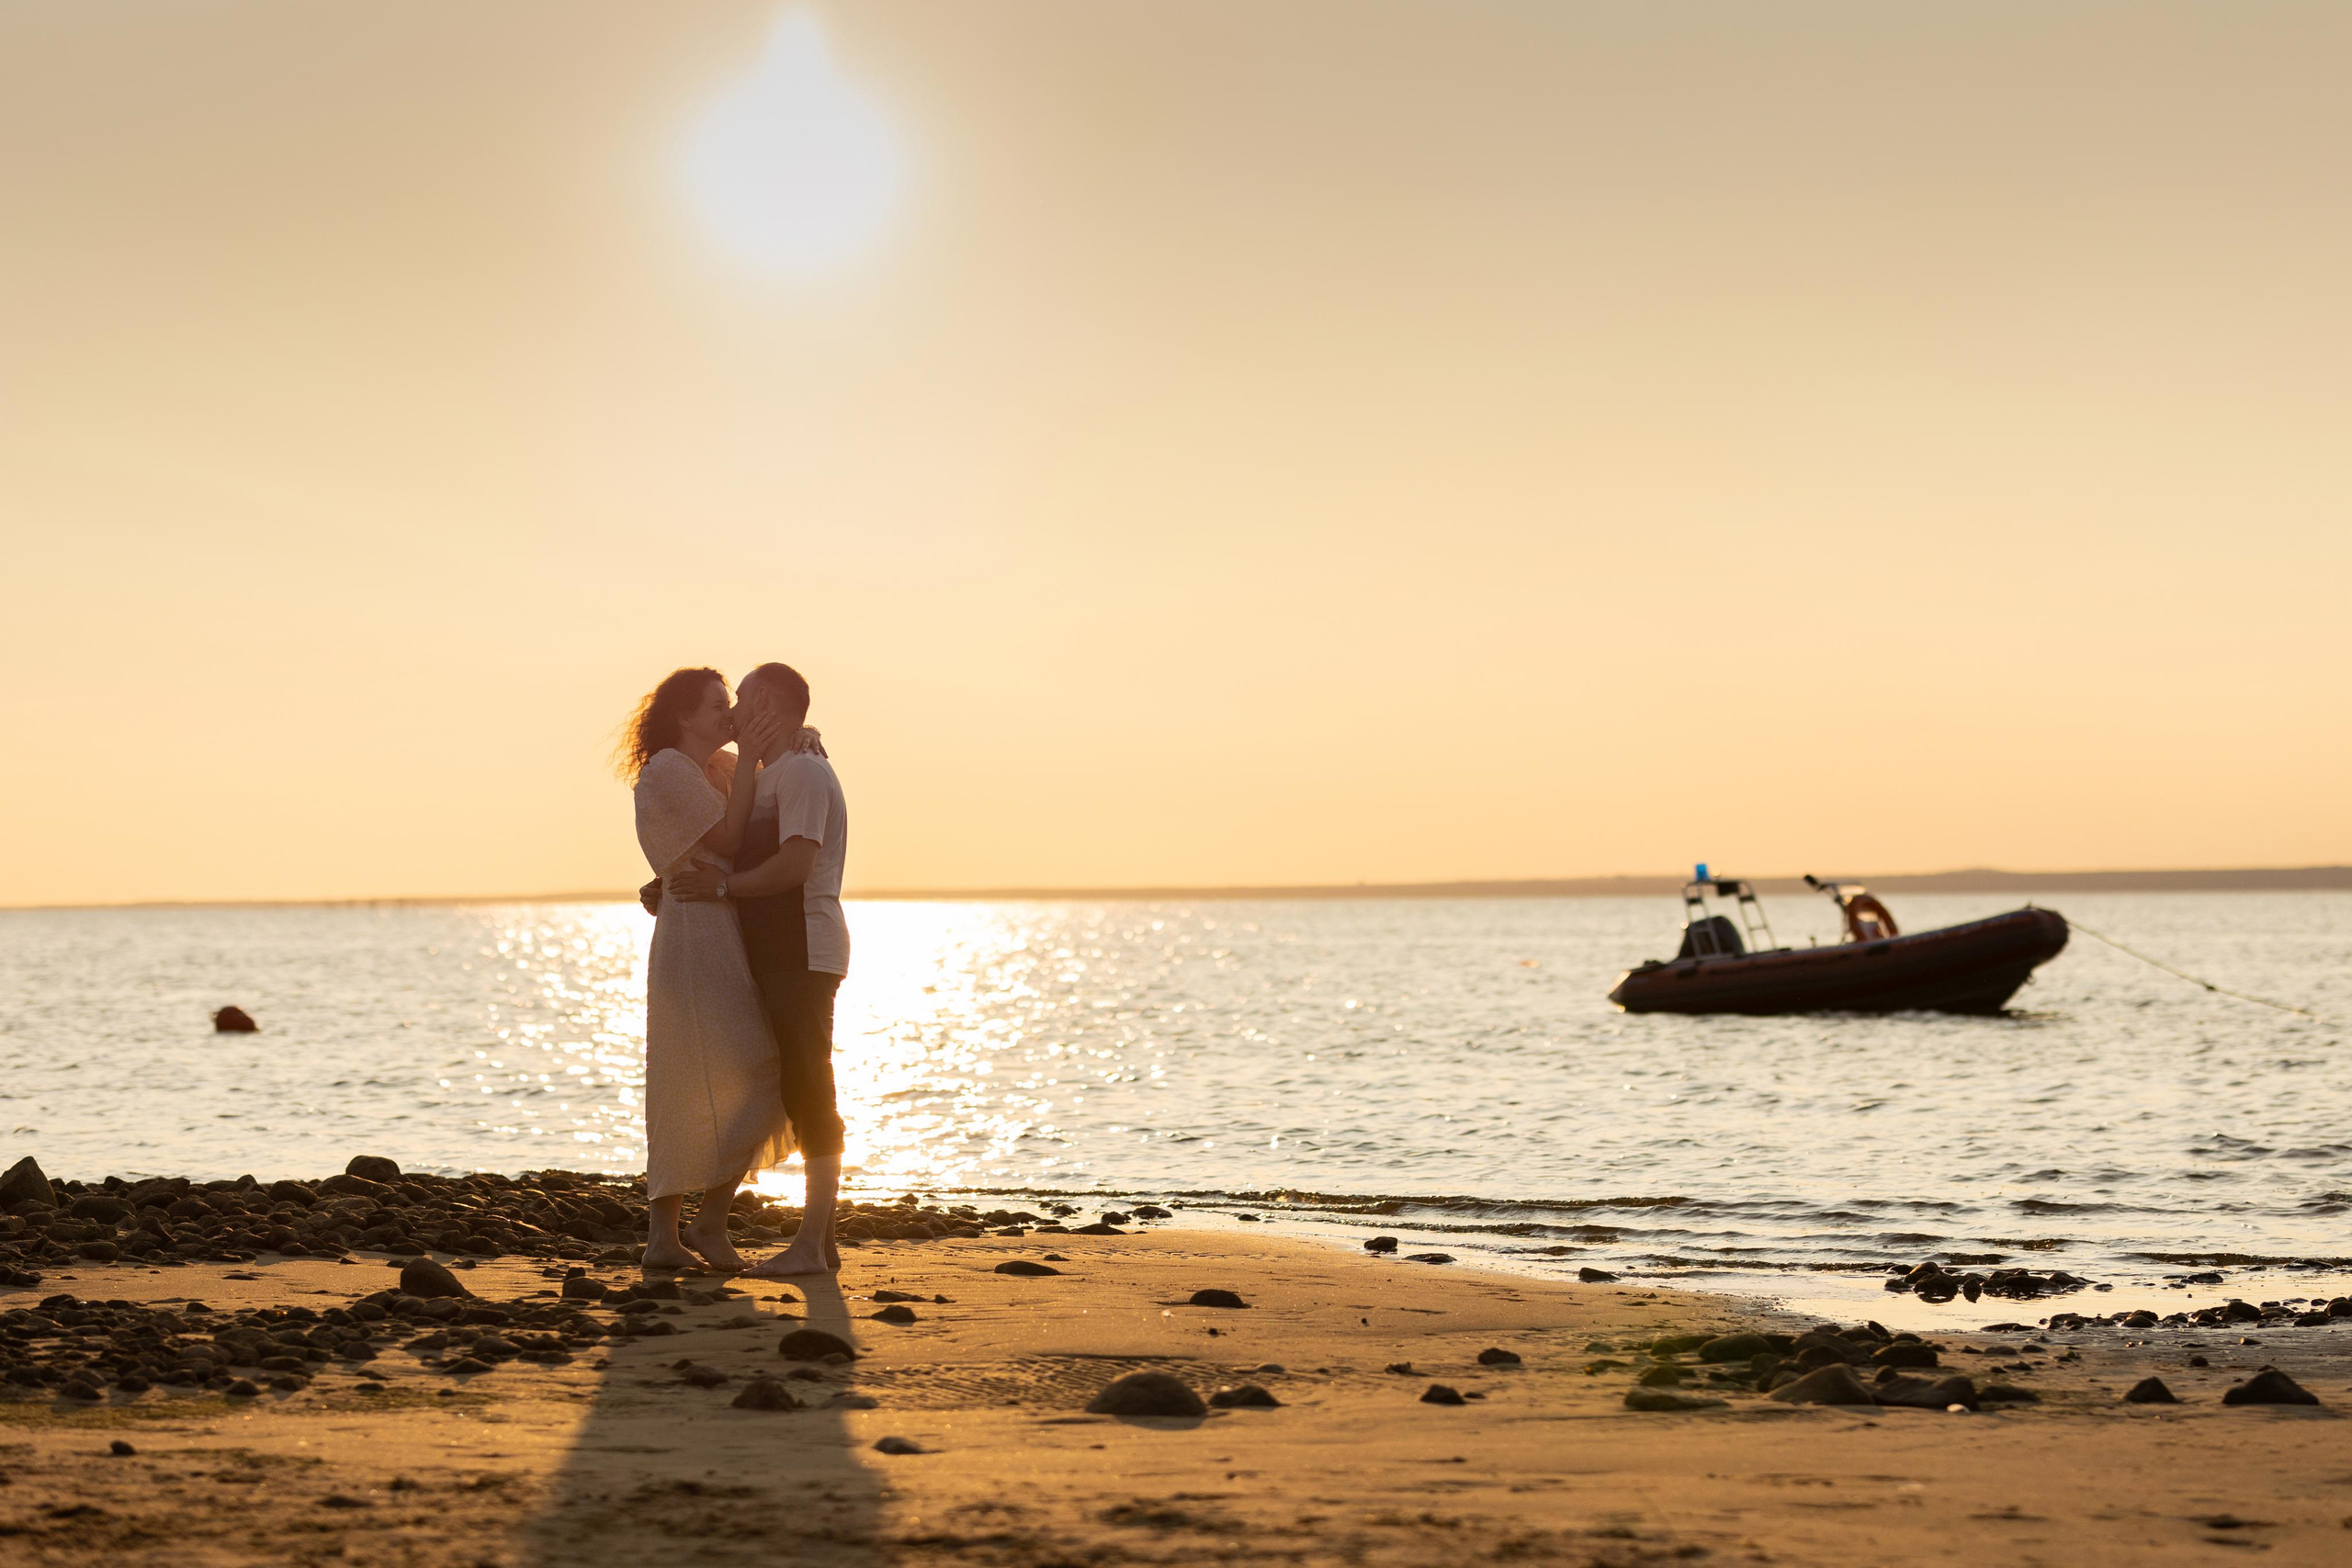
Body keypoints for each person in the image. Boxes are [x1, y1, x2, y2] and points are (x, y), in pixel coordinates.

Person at [667, 661, 850, 1277]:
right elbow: (733, 846)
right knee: (782, 1084)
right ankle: (816, 1241)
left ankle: (809, 1245)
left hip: (804, 950)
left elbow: (795, 866)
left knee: (808, 1087)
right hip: (773, 953)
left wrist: (720, 889)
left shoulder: (802, 772)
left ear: (766, 698)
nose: (734, 711)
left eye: (740, 699)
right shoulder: (772, 771)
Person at [618, 667, 797, 1273]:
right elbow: (724, 838)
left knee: (763, 1070)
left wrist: (802, 736)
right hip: (693, 936)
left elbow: (768, 797)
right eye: (718, 705)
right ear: (684, 715)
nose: (729, 714)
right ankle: (664, 1237)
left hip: (729, 927)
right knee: (681, 1079)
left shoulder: (719, 765)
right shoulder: (669, 768)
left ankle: (710, 1220)